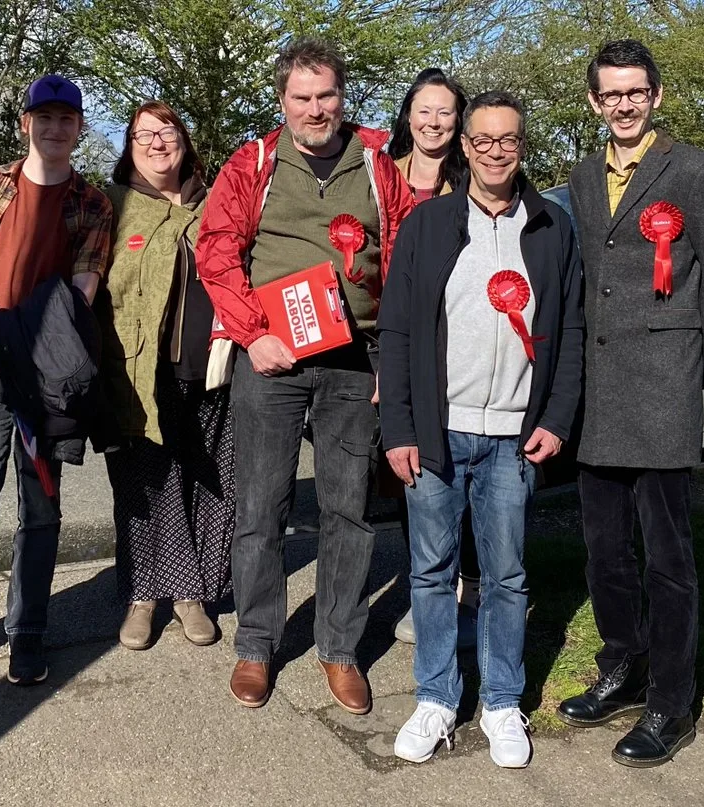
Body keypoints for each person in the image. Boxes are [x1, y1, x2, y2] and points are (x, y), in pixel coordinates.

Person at [196, 37, 413, 714]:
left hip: (357, 363)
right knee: (262, 506)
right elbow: (217, 251)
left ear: (342, 97)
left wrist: (397, 362)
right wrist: (251, 336)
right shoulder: (253, 163)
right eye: (302, 97)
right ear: (282, 101)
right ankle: (257, 644)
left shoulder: (379, 165)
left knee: (349, 508)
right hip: (273, 362)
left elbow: (406, 261)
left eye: (326, 96)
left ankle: (339, 648)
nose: (316, 109)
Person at [378, 91, 583, 766]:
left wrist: (556, 419)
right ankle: (436, 697)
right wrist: (399, 428)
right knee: (432, 573)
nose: (496, 150)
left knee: (507, 576)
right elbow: (400, 331)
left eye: (509, 139)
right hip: (438, 434)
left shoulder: (552, 226)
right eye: (483, 139)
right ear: (464, 147)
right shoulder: (429, 224)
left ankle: (501, 702)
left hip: (512, 442)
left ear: (523, 145)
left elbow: (572, 330)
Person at [556, 39, 704, 768]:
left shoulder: (694, 171)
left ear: (657, 96)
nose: (624, 104)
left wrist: (684, 363)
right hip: (599, 395)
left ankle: (672, 700)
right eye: (611, 94)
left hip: (662, 390)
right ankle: (622, 665)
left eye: (636, 92)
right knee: (604, 549)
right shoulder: (579, 175)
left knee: (668, 557)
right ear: (595, 102)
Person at [0, 75, 112, 685]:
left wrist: (49, 349)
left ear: (80, 129)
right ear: (25, 123)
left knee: (40, 511)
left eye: (68, 119)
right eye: (45, 117)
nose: (55, 128)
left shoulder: (91, 203)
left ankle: (28, 632)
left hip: (47, 378)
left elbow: (85, 285)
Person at [95, 101, 234, 652]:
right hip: (133, 369)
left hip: (210, 369)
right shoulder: (113, 205)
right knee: (144, 482)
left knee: (205, 477)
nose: (157, 142)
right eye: (143, 134)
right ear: (128, 146)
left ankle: (195, 591)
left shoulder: (218, 201)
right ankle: (146, 596)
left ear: (185, 140)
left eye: (167, 131)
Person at [386, 68, 479, 648]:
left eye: (446, 112)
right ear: (408, 116)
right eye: (424, 110)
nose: (434, 122)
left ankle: (468, 587)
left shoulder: (474, 185)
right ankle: (426, 588)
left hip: (451, 346)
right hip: (381, 339)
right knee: (405, 470)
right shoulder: (377, 176)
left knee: (455, 466)